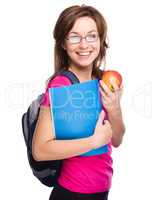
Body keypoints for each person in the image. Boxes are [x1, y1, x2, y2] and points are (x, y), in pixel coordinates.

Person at [32, 4, 125, 200]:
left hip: (101, 191)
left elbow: (116, 140)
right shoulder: (61, 86)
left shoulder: (103, 81)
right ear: (64, 43)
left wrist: (114, 109)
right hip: (72, 193)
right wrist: (93, 142)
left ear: (101, 41)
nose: (84, 45)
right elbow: (40, 150)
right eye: (75, 37)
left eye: (92, 36)